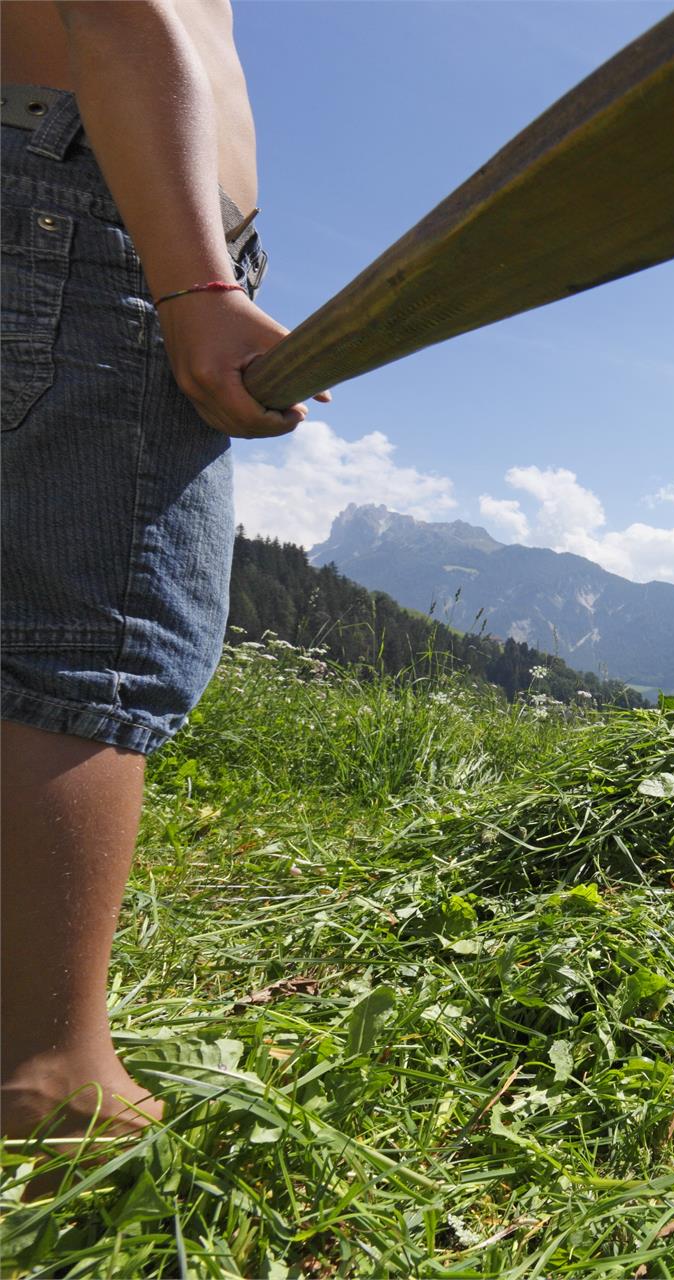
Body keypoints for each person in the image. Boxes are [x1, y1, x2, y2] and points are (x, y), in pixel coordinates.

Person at [2, 0, 324, 1151]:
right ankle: (49, 1084)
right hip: (95, 202)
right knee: (93, 630)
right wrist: (195, 280)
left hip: (73, 177)